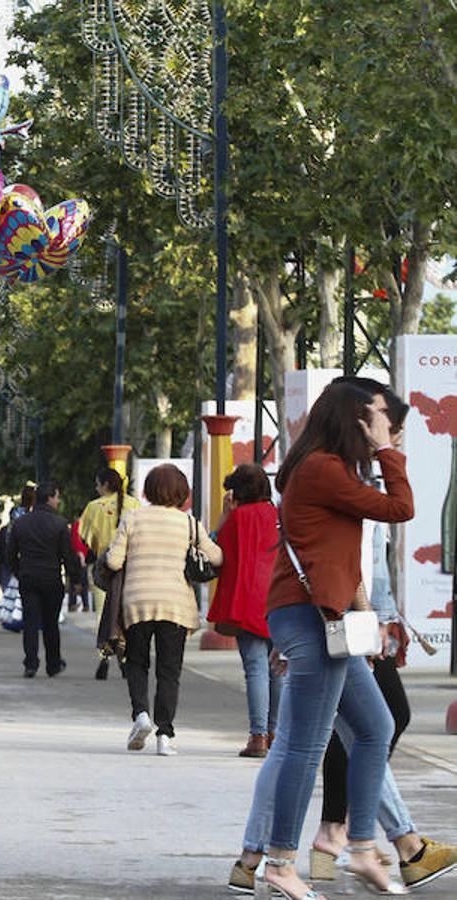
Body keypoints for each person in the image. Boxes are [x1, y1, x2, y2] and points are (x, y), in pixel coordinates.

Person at [230, 380, 411, 900]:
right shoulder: (323, 469)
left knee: (377, 726)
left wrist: (366, 616)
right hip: (309, 620)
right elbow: (400, 508)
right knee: (304, 748)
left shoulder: (326, 468)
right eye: (378, 416)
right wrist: (386, 452)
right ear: (355, 418)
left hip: (320, 619)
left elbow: (339, 558)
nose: (387, 426)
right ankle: (282, 861)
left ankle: (360, 849)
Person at [306, 383, 457, 892]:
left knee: (360, 729)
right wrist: (368, 624)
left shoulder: (345, 471)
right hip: (343, 618)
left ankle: (344, 835)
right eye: (389, 426)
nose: (395, 437)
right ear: (361, 422)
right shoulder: (333, 471)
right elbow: (394, 517)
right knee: (364, 728)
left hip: (357, 617)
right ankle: (378, 840)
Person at [104, 464, 220, 757]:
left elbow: (115, 562)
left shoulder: (133, 518)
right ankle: (164, 734)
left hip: (137, 602)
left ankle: (140, 714)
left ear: (148, 490)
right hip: (175, 606)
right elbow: (216, 556)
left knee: (137, 662)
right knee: (170, 671)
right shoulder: (189, 524)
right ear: (182, 492)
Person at [206, 463, 281, 758]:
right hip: (281, 601)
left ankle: (257, 736)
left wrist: (224, 516)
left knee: (256, 670)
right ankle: (276, 733)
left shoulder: (237, 520)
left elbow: (213, 553)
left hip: (247, 603)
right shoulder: (279, 517)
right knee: (279, 670)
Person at [4, 481, 82, 677]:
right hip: (51, 577)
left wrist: (18, 571)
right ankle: (53, 663)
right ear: (49, 498)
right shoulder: (59, 524)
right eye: (57, 497)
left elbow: (10, 554)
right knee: (50, 623)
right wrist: (75, 579)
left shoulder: (21, 523)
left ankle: (31, 663)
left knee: (29, 622)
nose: (58, 501)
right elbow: (67, 554)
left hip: (28, 577)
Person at [80, 468, 139, 680]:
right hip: (131, 569)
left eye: (98, 484)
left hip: (105, 570)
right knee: (127, 615)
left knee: (103, 614)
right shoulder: (135, 505)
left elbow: (87, 539)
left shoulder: (94, 507)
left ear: (105, 485)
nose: (97, 489)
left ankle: (104, 655)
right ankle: (125, 655)